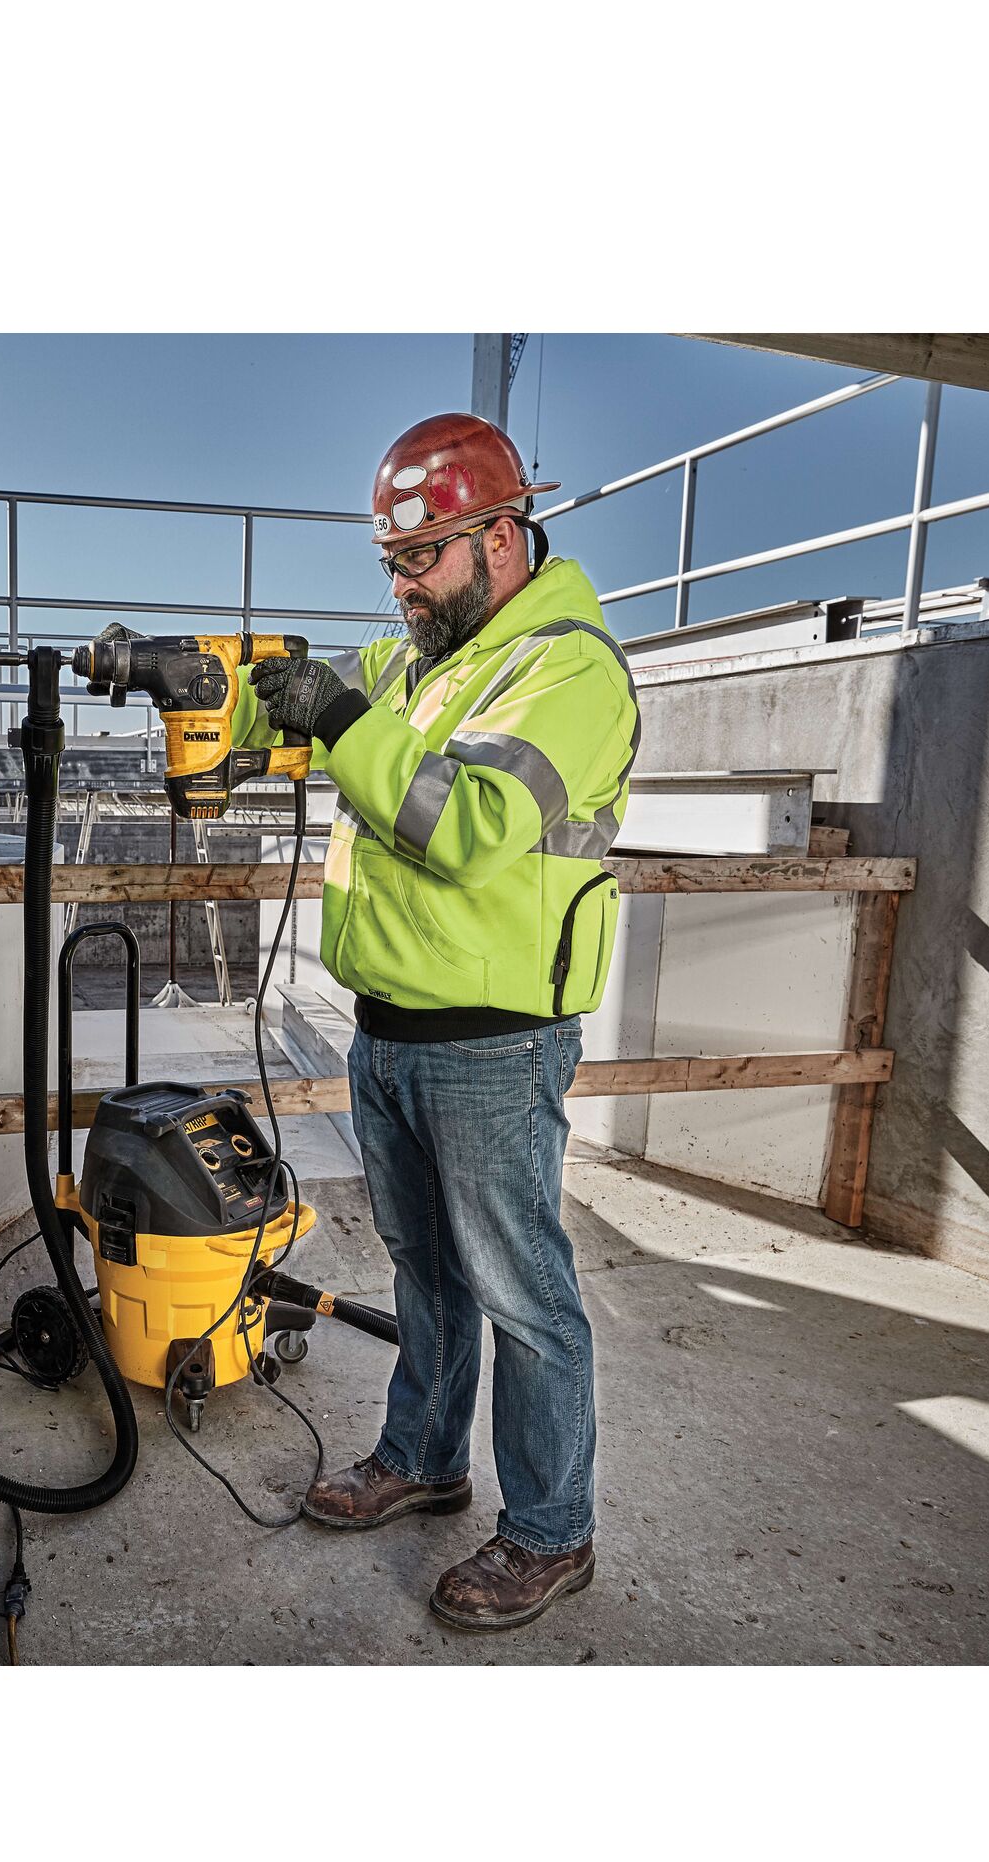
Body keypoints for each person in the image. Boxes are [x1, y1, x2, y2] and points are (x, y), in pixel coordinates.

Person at [240, 412, 641, 1632]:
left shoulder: (566, 670)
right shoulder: (420, 660)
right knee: (424, 1272)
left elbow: (466, 828)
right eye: (392, 567)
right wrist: (196, 677)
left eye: (424, 559)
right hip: (392, 1031)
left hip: (493, 1041)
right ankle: (422, 1457)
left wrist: (341, 717)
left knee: (521, 1294)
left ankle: (549, 1530)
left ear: (502, 535)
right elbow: (286, 709)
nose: (404, 588)